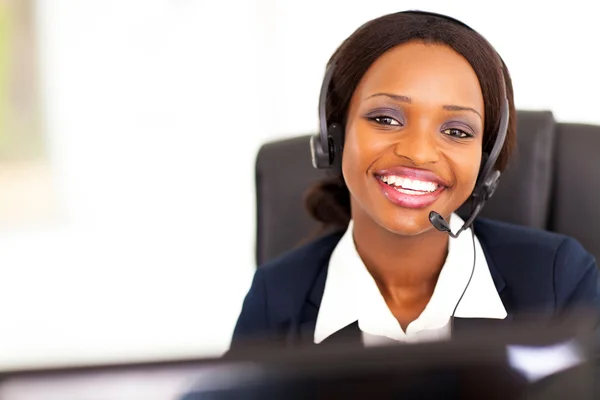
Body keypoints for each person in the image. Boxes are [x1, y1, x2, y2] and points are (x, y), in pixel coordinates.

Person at [230, 11, 600, 351]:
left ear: (485, 163)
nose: (419, 153)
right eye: (385, 118)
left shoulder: (559, 278)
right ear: (334, 137)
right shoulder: (275, 298)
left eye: (456, 130)